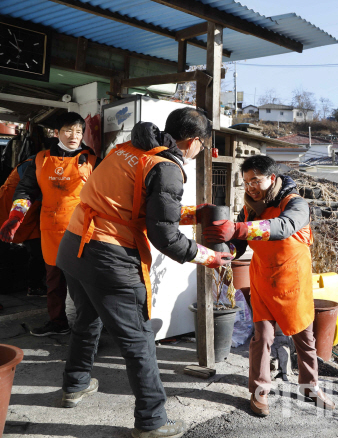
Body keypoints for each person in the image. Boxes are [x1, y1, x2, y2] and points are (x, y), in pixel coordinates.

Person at [57, 110, 230, 438]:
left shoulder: (128, 148)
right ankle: (152, 421)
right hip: (108, 257)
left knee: (87, 320)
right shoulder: (167, 168)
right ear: (194, 142)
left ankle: (75, 385)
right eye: (204, 145)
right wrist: (208, 257)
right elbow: (163, 234)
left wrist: (196, 214)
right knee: (138, 339)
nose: (202, 150)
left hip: (75, 245)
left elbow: (133, 203)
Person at [204, 155, 336, 416]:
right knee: (262, 337)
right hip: (263, 279)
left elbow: (283, 227)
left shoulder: (296, 204)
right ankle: (259, 392)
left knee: (305, 339)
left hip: (294, 283)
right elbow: (239, 245)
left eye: (256, 180)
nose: (250, 186)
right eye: (246, 182)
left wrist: (239, 230)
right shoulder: (249, 208)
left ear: (272, 179)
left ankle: (310, 386)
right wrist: (225, 250)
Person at [0, 113, 98, 336]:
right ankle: (58, 322)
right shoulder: (40, 160)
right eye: (68, 131)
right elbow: (25, 190)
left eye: (79, 132)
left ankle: (88, 333)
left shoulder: (93, 161)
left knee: (83, 285)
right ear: (57, 133)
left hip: (82, 231)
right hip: (50, 230)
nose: (74, 136)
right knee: (53, 281)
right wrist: (16, 216)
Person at [0, 157, 45, 296]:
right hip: (10, 208)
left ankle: (34, 286)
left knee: (37, 249)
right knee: (3, 248)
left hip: (31, 213)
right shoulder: (35, 164)